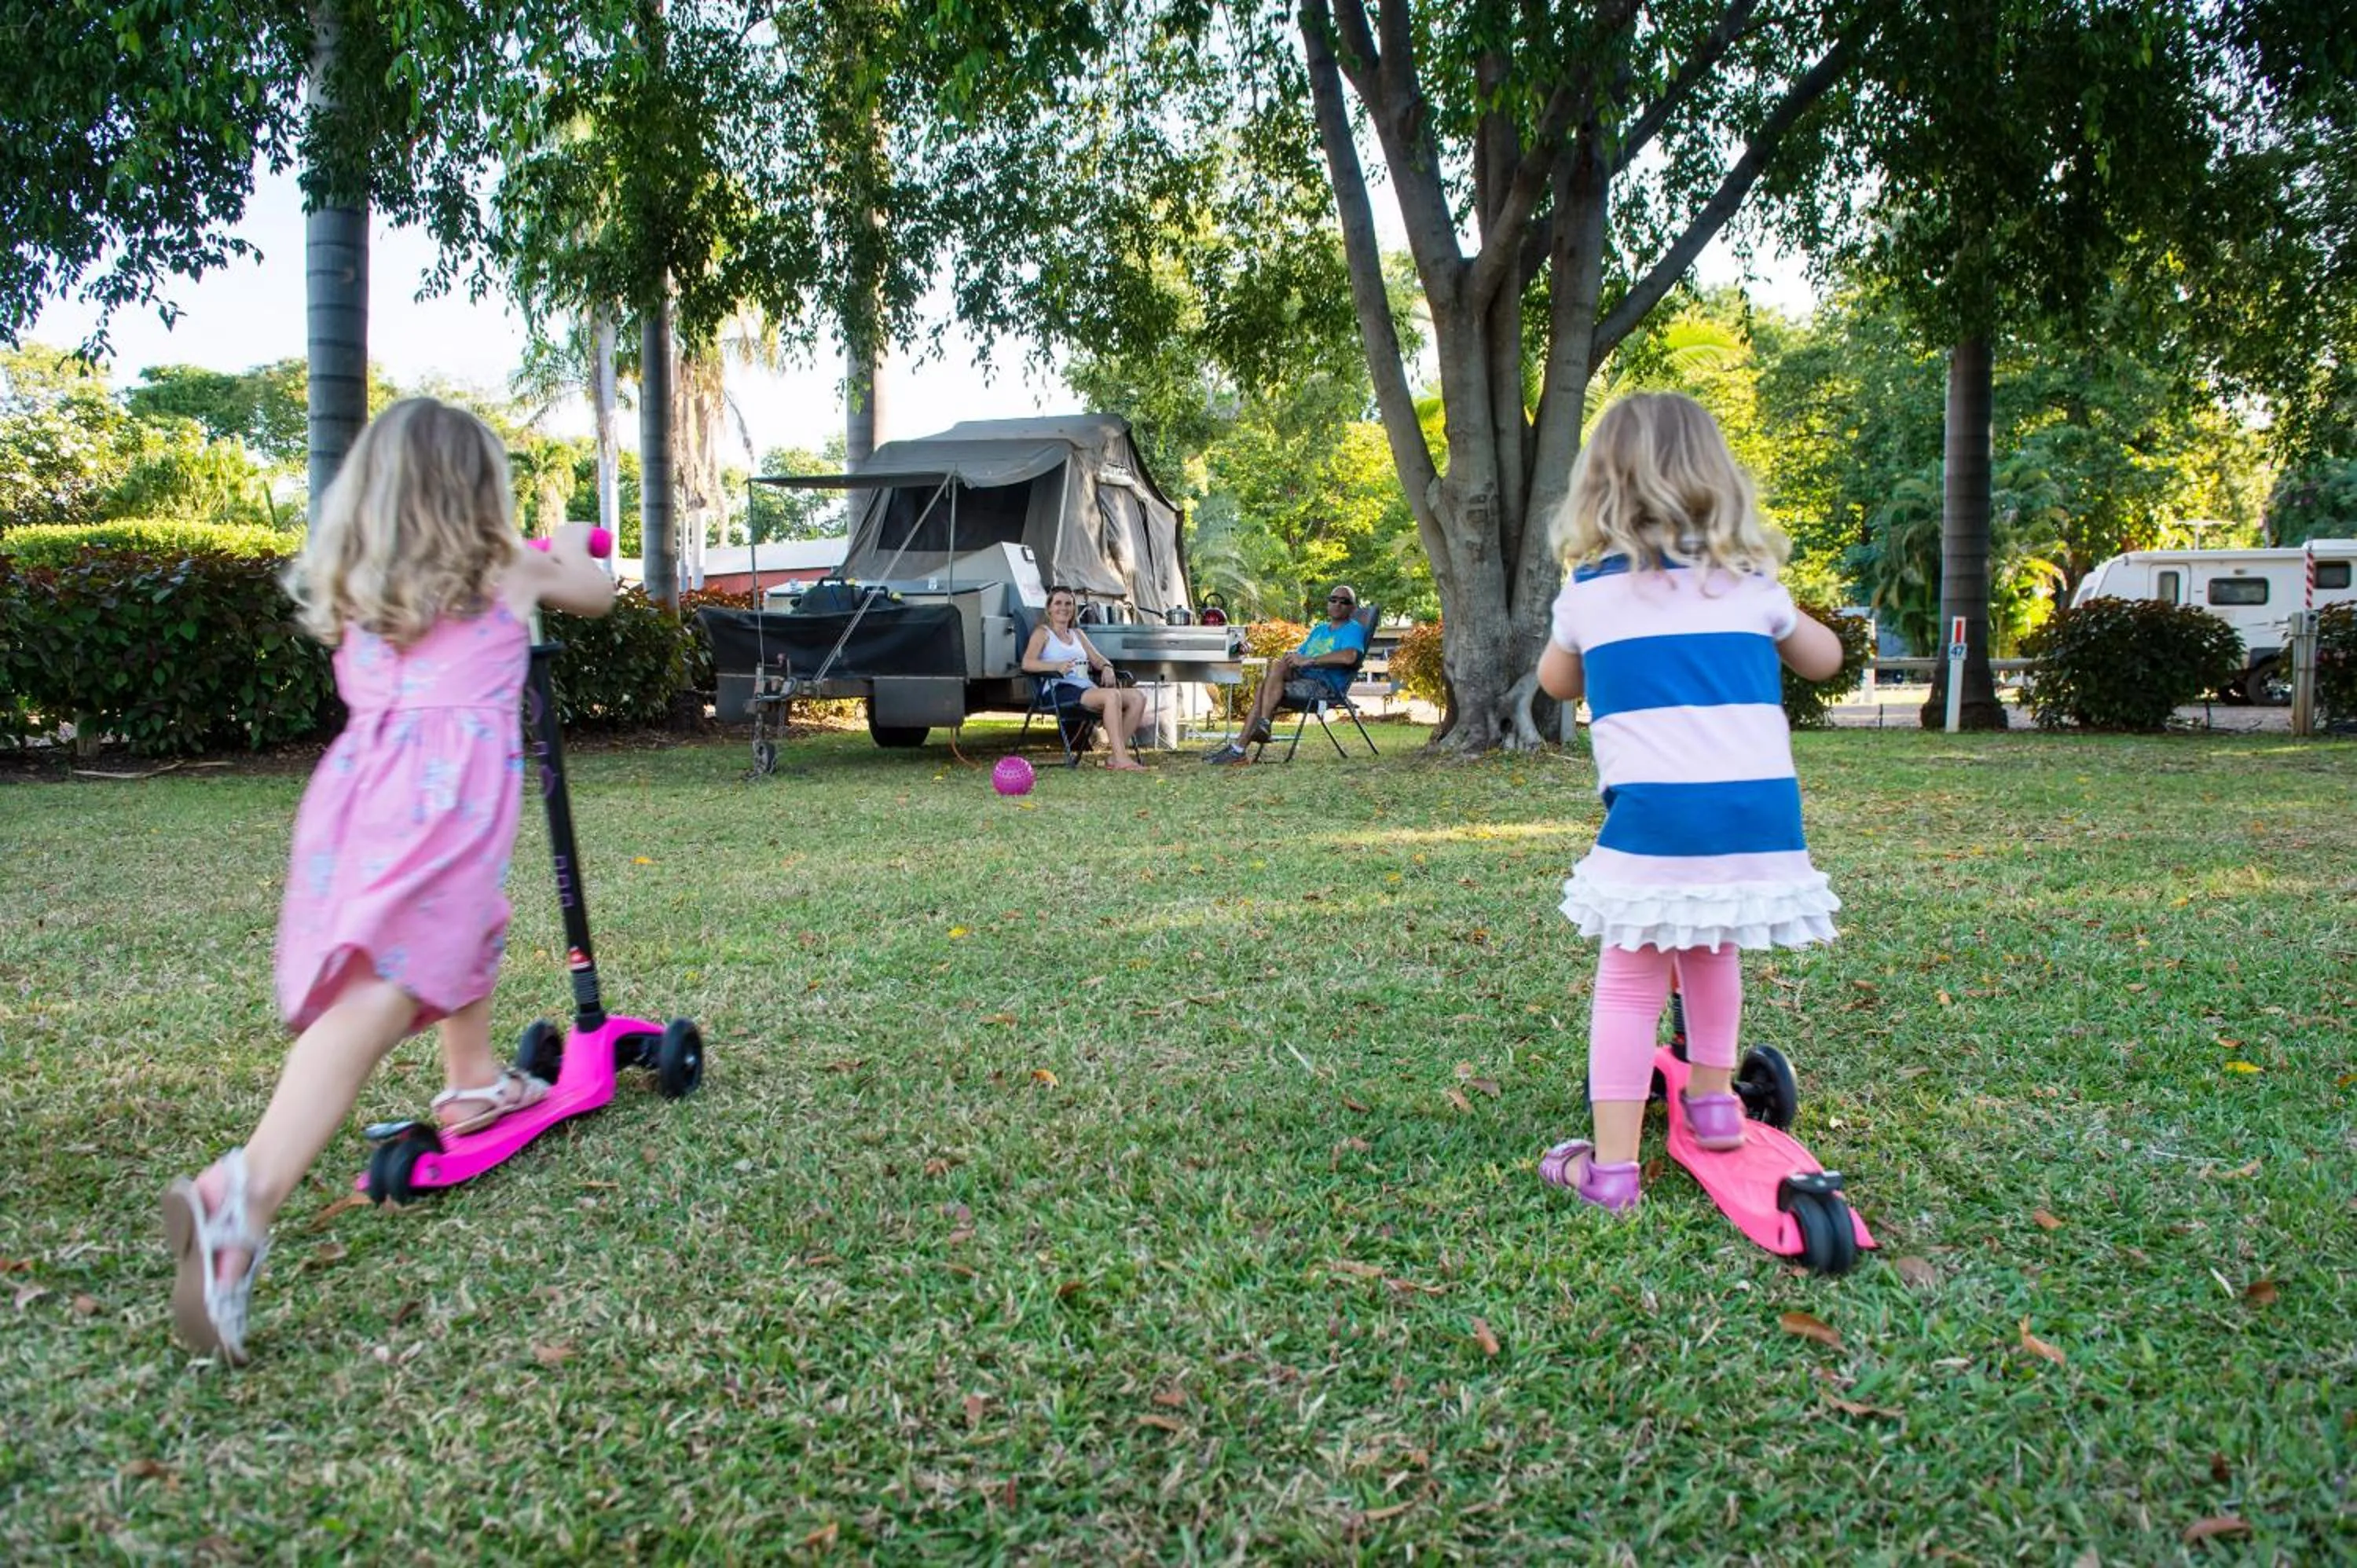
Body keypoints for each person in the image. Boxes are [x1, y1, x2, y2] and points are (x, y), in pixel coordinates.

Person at [162, 397, 616, 1361]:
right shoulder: (506, 563)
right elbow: (595, 588)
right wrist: (574, 533)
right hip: (447, 809)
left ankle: (474, 1080)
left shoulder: (364, 589)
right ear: (476, 492)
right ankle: (241, 1199)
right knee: (385, 989)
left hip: (361, 802)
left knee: (461, 934)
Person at [1533, 391, 1844, 1212]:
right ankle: (1712, 1103)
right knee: (1713, 949)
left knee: (1632, 984)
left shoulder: (1589, 595)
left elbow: (1555, 683)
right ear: (1718, 480)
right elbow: (1825, 659)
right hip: (1757, 823)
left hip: (1659, 823)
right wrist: (1771, 608)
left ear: (1600, 488)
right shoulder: (1751, 585)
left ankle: (1610, 1170)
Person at [1203, 584, 1369, 763]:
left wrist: (1309, 661)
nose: (1337, 604)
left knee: (1263, 688)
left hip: (1323, 687)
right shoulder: (1319, 630)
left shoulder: (1353, 629)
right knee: (1277, 666)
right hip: (1302, 677)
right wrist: (1293, 656)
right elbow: (1301, 653)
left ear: (1352, 608)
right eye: (1333, 599)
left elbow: (1350, 656)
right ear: (1328, 603)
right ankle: (1261, 727)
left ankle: (1239, 749)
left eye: (1344, 601)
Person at [1021, 585, 1150, 770]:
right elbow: (1027, 663)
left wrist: (1106, 667)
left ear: (1074, 608)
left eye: (1068, 604)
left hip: (1085, 687)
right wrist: (1056, 666)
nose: (1063, 608)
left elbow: (1097, 659)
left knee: (1138, 697)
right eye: (1058, 603)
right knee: (1111, 695)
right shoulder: (1043, 633)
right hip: (1058, 689)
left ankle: (1116, 757)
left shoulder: (1077, 634)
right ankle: (1122, 759)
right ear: (1049, 608)